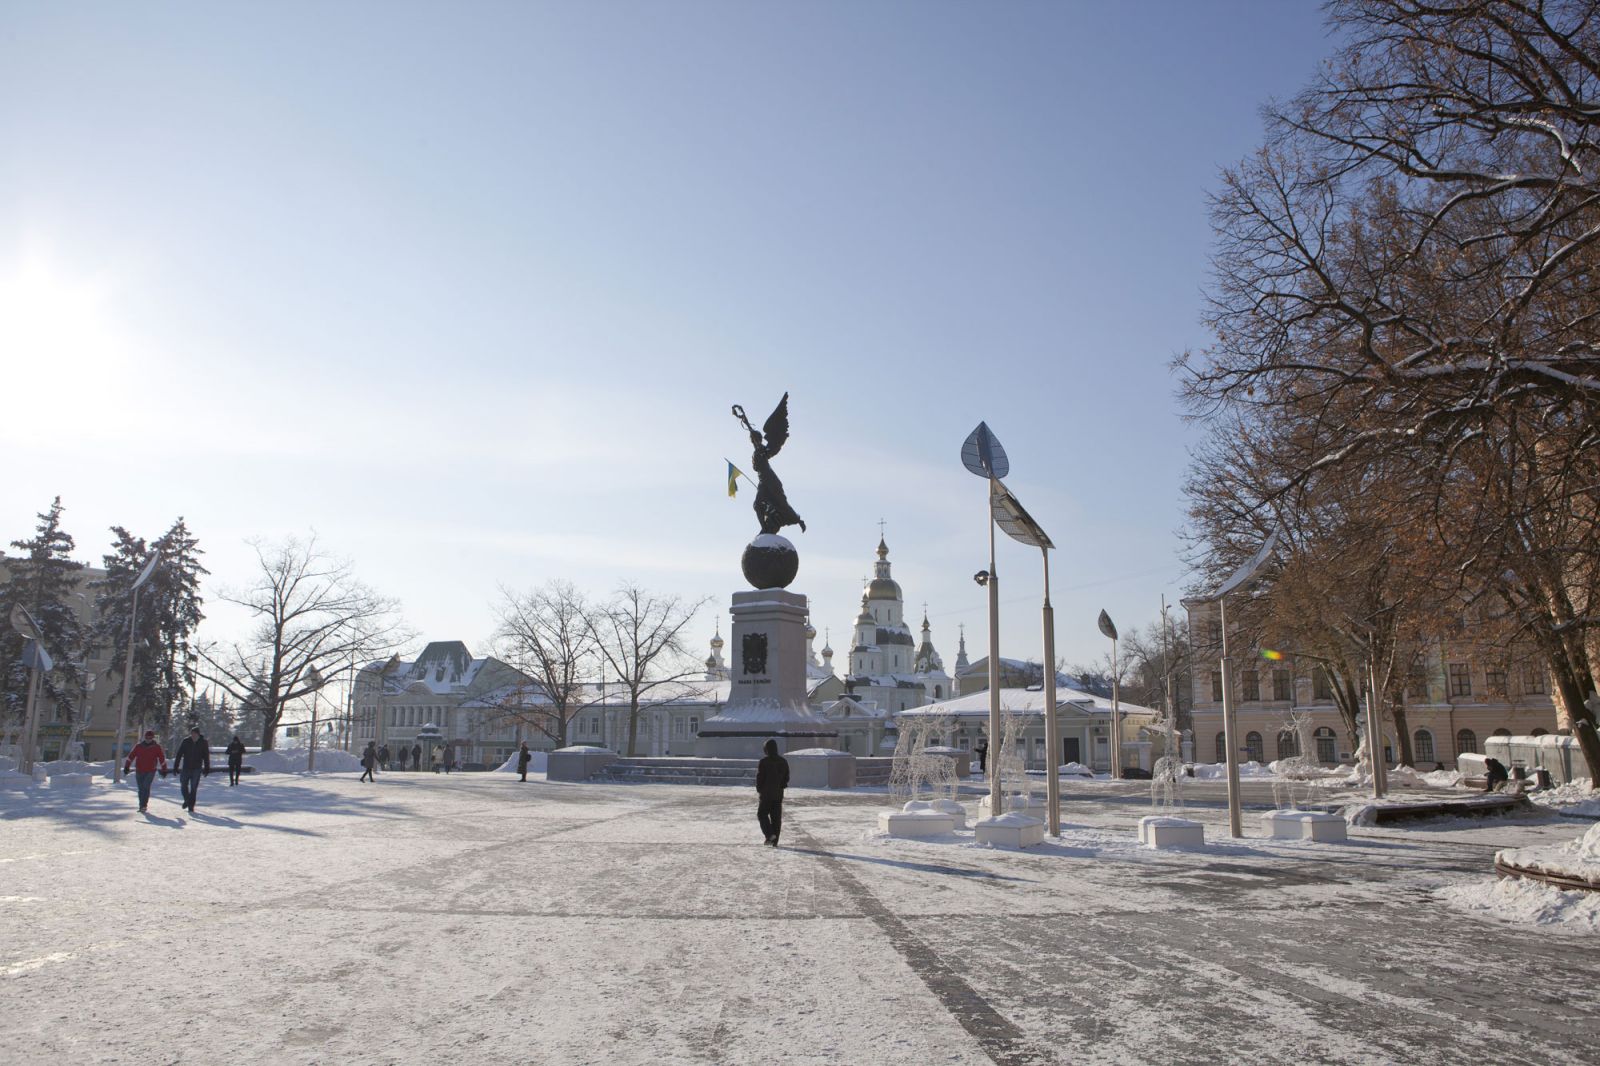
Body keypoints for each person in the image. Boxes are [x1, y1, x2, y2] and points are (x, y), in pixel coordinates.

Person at [123, 730, 168, 813]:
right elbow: (130, 757)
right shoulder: (138, 746)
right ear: (145, 738)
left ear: (152, 738)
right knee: (141, 789)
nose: (148, 739)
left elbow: (162, 758)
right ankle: (141, 805)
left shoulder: (156, 747)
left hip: (151, 771)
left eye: (150, 738)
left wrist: (164, 769)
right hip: (139, 770)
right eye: (147, 738)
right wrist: (126, 767)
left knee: (146, 787)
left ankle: (144, 806)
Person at [755, 739, 789, 847]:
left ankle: (769, 835)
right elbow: (786, 777)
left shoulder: (764, 762)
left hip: (766, 795)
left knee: (762, 814)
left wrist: (760, 789)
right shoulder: (783, 761)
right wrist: (781, 786)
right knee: (776, 818)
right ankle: (774, 841)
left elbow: (760, 778)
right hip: (778, 794)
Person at [171, 726, 211, 813]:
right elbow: (179, 754)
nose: (192, 735)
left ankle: (191, 806)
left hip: (197, 768)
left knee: (193, 788)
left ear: (198, 734)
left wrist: (207, 768)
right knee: (183, 785)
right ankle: (187, 800)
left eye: (194, 734)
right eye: (191, 734)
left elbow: (206, 756)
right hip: (186, 767)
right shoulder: (186, 741)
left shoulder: (203, 742)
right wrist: (175, 766)